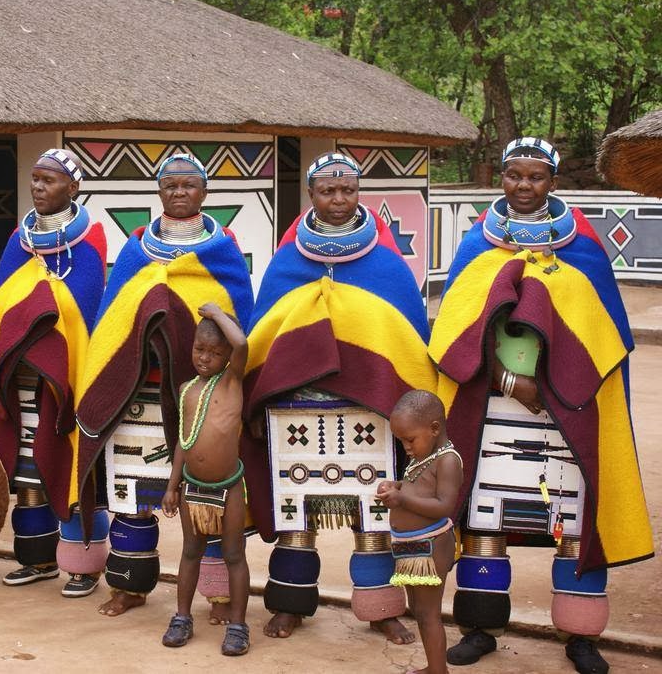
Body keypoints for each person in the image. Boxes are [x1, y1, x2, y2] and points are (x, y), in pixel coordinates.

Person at [430, 137, 653, 674]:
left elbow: (601, 333)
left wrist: (554, 384)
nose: (523, 186)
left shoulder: (581, 246)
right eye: (513, 176)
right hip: (493, 407)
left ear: (553, 181)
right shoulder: (476, 245)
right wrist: (509, 380)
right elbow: (459, 333)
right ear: (500, 178)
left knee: (573, 521)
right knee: (485, 519)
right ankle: (480, 628)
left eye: (534, 177)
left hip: (569, 410)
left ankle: (579, 638)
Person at [241, 152, 435, 642]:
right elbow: (264, 333)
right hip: (296, 408)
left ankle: (381, 609)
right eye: (327, 190)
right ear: (310, 194)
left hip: (370, 412)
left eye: (348, 189)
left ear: (359, 192)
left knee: (372, 514)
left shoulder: (386, 265)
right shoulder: (287, 262)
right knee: (295, 513)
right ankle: (290, 604)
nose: (338, 199)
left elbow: (407, 338)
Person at [73, 153, 254, 619]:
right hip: (141, 393)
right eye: (170, 185)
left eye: (189, 185)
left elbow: (238, 318)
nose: (179, 192)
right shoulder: (136, 250)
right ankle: (130, 586)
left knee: (208, 496)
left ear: (204, 192)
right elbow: (114, 317)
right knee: (132, 495)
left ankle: (217, 595)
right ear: (159, 192)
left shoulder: (224, 250)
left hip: (203, 396)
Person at [0, 148, 109, 598]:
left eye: (49, 181)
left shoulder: (91, 241)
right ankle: (37, 560)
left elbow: (84, 309)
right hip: (20, 377)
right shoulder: (18, 240)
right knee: (27, 471)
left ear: (74, 187)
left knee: (71, 468)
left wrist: (46, 317)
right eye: (35, 179)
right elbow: (0, 303)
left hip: (68, 377)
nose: (38, 187)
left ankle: (83, 567)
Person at [161, 304, 251, 656]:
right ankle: (182, 618)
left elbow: (242, 344)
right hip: (192, 487)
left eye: (215, 352)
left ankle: (239, 626)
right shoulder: (186, 390)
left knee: (233, 554)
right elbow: (184, 441)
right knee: (190, 552)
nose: (205, 358)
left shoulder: (231, 382)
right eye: (200, 349)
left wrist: (216, 312)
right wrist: (172, 486)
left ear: (228, 357)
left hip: (228, 487)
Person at [376, 390, 462, 674]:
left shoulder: (448, 460)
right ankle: (433, 667)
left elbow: (444, 505)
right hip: (412, 545)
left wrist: (402, 499)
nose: (406, 447)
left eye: (409, 439)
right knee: (419, 610)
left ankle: (439, 671)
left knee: (428, 614)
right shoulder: (424, 456)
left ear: (434, 428)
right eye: (401, 441)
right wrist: (396, 486)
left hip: (432, 545)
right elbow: (417, 487)